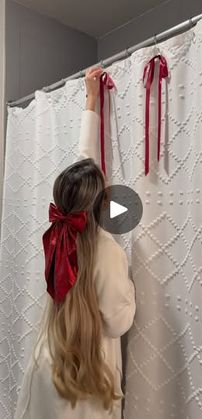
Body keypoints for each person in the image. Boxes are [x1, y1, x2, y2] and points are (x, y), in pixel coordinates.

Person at [14, 66, 136, 419]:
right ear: (99, 202)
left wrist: (92, 101)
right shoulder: (107, 251)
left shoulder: (57, 235)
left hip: (48, 368)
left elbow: (83, 166)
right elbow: (117, 321)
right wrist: (131, 288)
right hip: (84, 388)